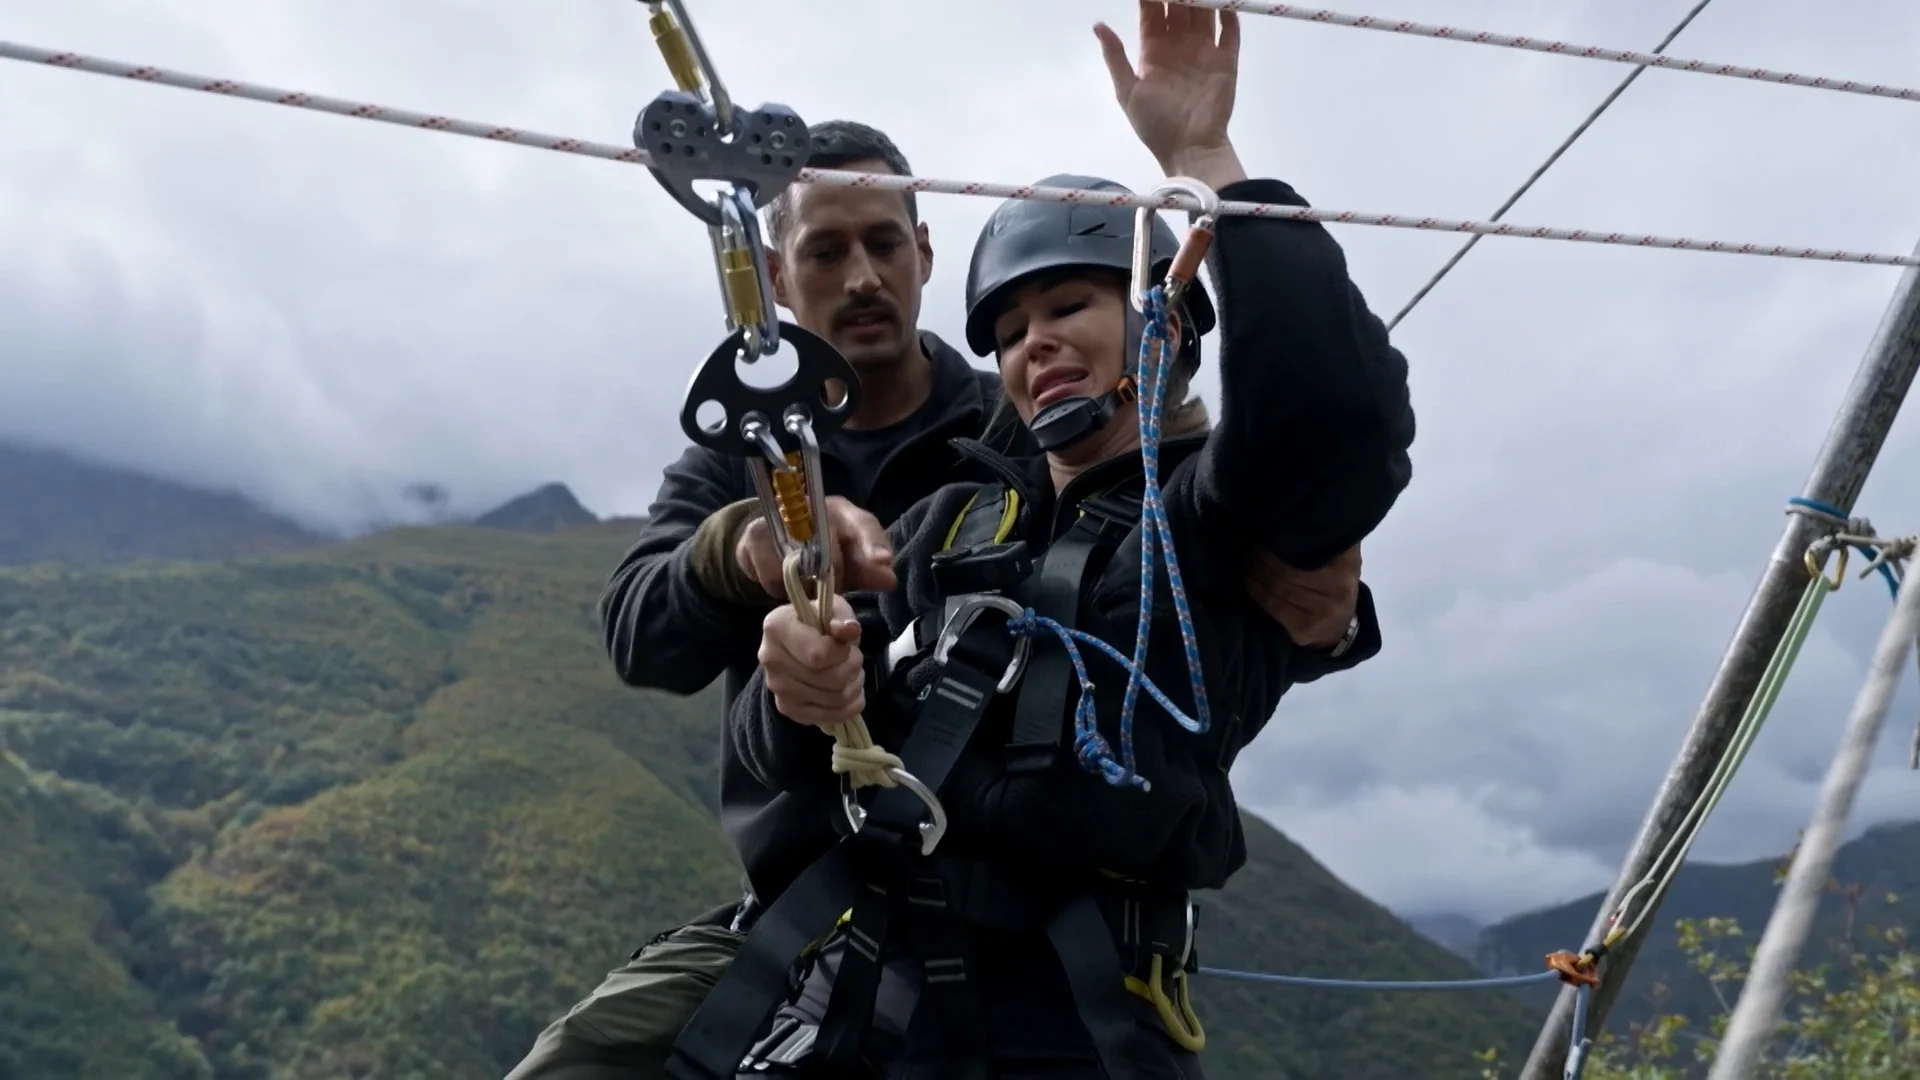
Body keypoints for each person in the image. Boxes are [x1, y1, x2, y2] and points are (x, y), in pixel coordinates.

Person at [508, 87, 1374, 1080]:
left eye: (883, 243)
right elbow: (641, 630)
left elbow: (1170, 562)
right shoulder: (755, 450)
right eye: (828, 253)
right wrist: (750, 552)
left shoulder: (1028, 428)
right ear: (780, 279)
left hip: (1024, 909)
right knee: (578, 1062)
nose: (864, 276)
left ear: (924, 253)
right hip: (813, 890)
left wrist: (1323, 608)